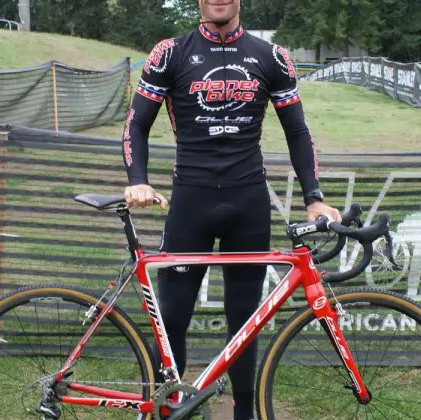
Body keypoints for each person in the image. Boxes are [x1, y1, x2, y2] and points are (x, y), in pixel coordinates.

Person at [121, 1, 341, 418]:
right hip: (191, 200)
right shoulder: (170, 52)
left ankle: (244, 413)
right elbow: (136, 123)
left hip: (248, 202)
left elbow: (297, 130)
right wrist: (137, 180)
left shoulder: (269, 56)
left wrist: (313, 198)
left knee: (246, 322)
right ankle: (165, 409)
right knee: (171, 318)